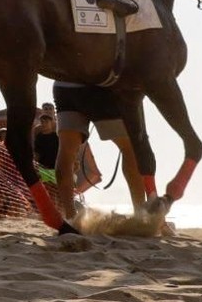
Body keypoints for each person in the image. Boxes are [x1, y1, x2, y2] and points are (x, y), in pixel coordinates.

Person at [52, 81, 146, 222]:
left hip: (64, 87)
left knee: (66, 151)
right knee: (130, 150)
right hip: (99, 86)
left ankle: (71, 218)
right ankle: (140, 216)